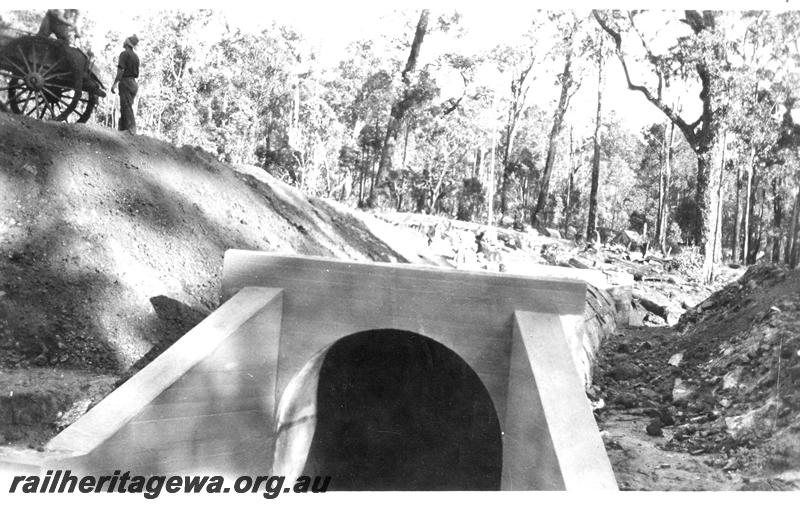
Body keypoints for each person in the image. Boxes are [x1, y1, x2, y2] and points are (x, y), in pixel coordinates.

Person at [111, 35, 140, 135]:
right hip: (134, 84)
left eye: (125, 40)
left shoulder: (124, 54)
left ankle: (131, 131)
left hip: (126, 82)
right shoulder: (136, 57)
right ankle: (122, 131)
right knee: (126, 107)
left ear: (127, 43)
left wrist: (115, 83)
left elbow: (121, 70)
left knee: (126, 107)